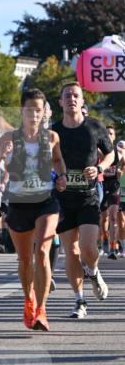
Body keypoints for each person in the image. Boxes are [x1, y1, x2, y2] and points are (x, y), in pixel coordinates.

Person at [0, 88, 66, 330]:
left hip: (46, 201)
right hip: (19, 202)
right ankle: (28, 300)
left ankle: (41, 309)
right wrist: (0, 155)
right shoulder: (8, 138)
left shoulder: (51, 137)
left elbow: (58, 160)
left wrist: (62, 176)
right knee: (26, 260)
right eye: (30, 109)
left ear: (43, 112)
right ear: (22, 111)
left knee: (42, 252)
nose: (34, 114)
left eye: (39, 110)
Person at [52, 81, 114, 318]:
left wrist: (99, 168)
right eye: (67, 96)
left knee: (89, 248)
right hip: (64, 198)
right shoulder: (53, 131)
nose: (71, 99)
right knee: (71, 251)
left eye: (76, 95)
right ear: (60, 102)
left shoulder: (94, 127)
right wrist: (56, 175)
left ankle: (95, 272)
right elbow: (44, 159)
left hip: (88, 196)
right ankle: (79, 301)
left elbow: (111, 154)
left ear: (82, 101)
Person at [100, 124, 120, 259]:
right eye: (106, 134)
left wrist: (121, 171)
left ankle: (113, 248)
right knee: (103, 218)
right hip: (102, 184)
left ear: (114, 136)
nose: (109, 136)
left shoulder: (120, 151)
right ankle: (104, 241)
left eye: (111, 134)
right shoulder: (98, 150)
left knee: (113, 217)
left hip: (114, 186)